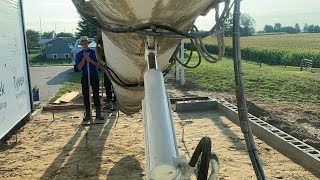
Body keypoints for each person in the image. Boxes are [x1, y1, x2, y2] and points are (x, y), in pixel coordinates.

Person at [75, 36, 103, 123]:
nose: (84, 45)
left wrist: (90, 60)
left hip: (94, 75)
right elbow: (78, 68)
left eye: (86, 43)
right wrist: (84, 58)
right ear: (81, 45)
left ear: (88, 43)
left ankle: (98, 113)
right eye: (83, 43)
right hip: (85, 76)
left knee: (96, 95)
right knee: (86, 95)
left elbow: (99, 66)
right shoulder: (78, 54)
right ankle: (88, 114)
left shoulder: (94, 52)